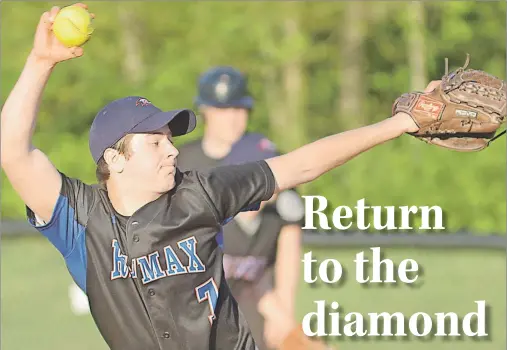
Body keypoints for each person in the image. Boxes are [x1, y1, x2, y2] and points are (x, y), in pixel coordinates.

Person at [1, 4, 426, 350]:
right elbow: (12, 151)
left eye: (170, 139)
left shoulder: (200, 192)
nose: (171, 149)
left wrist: (400, 124)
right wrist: (41, 62)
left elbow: (300, 164)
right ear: (115, 159)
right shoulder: (80, 220)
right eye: (155, 143)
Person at [177, 66, 304, 350]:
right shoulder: (182, 162)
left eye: (239, 109)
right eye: (224, 109)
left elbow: (289, 233)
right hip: (195, 298)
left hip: (254, 293)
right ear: (206, 110)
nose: (234, 118)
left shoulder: (263, 152)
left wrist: (282, 310)